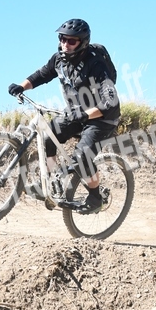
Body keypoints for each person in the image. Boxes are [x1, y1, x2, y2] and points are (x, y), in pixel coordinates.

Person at [8, 19, 120, 214]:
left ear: (83, 42)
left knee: (82, 157)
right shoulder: (59, 59)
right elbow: (42, 74)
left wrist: (85, 114)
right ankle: (51, 182)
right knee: (48, 138)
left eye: (71, 41)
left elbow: (110, 102)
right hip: (75, 114)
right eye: (62, 38)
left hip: (102, 118)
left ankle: (96, 198)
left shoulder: (96, 64)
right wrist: (21, 86)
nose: (65, 44)